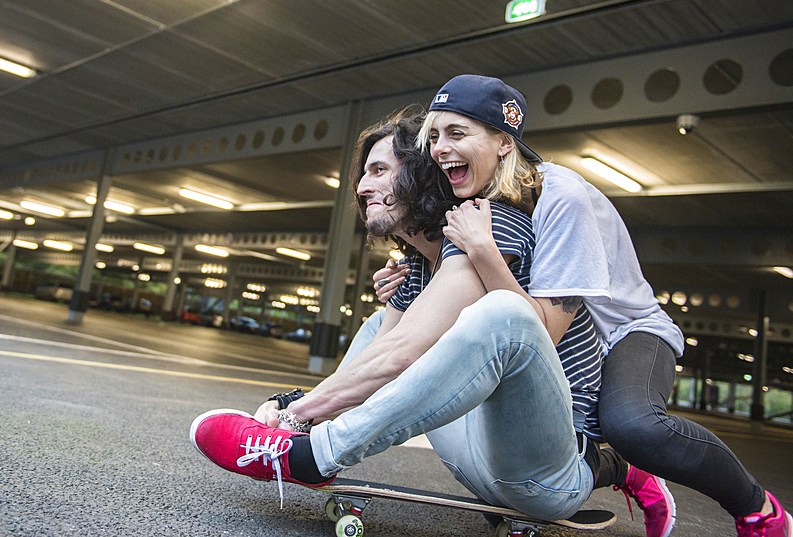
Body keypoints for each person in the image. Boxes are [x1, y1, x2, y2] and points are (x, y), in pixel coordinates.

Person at [190, 106, 671, 531]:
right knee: (382, 324)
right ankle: (306, 441)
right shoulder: (419, 262)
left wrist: (300, 412)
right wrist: (297, 408)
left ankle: (312, 456)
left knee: (501, 314)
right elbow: (384, 350)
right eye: (364, 174)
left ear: (420, 176)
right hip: (482, 456)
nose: (362, 187)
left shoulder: (489, 223)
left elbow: (403, 355)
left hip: (544, 474)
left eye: (379, 170)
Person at [380, 74, 788, 537]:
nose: (439, 148)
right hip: (569, 335)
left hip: (626, 332)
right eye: (434, 136)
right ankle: (561, 479)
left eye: (456, 133)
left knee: (635, 428)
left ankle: (759, 510)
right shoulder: (481, 195)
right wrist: (409, 274)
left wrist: (483, 252)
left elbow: (541, 333)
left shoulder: (562, 196)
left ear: (503, 143)